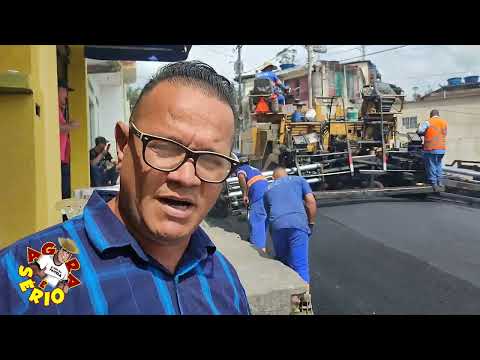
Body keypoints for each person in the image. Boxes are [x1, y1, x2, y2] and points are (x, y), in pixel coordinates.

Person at [0, 61, 250, 315]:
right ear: (123, 145)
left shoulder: (225, 281)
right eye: (164, 147)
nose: (186, 178)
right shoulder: (20, 278)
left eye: (211, 160)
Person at [263, 167, 317, 313]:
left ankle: (288, 295)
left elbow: (268, 214)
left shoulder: (268, 189)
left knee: (284, 261)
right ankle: (302, 305)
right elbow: (310, 202)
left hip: (277, 225)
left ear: (274, 178)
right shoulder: (299, 180)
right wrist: (311, 223)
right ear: (287, 174)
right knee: (301, 265)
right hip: (297, 223)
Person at [236, 158, 269, 252]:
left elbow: (241, 177)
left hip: (257, 192)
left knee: (256, 218)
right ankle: (258, 241)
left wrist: (245, 195)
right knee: (263, 219)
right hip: (267, 190)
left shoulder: (241, 169)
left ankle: (258, 250)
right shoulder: (254, 169)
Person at [58, 80, 80, 199]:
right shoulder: (54, 107)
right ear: (59, 90)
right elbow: (55, 128)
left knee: (65, 193)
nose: (66, 96)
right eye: (65, 91)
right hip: (58, 159)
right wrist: (71, 126)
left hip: (63, 159)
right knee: (64, 195)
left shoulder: (59, 109)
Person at [417, 109, 448, 193]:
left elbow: (420, 131)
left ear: (431, 115)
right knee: (438, 165)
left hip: (431, 148)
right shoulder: (444, 122)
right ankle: (440, 182)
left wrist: (421, 131)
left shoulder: (428, 122)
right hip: (441, 148)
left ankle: (433, 183)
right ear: (438, 114)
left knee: (431, 165)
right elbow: (444, 133)